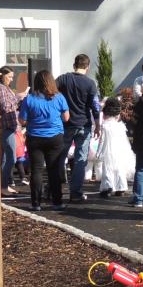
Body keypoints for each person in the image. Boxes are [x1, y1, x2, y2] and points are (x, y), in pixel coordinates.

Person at [18, 70, 70, 211]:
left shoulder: (29, 99)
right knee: (54, 170)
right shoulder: (59, 97)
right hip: (55, 137)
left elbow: (22, 120)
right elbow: (66, 117)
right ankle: (57, 202)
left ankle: (36, 203)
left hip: (35, 137)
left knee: (37, 170)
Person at [56, 54, 101, 203]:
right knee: (81, 159)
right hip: (84, 124)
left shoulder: (63, 79)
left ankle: (53, 189)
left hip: (66, 123)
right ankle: (75, 192)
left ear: (74, 64)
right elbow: (95, 105)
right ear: (87, 67)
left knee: (59, 157)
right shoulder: (90, 83)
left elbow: (51, 91)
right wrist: (98, 124)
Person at [97, 97, 135, 197]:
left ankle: (107, 188)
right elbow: (124, 140)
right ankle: (121, 188)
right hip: (119, 150)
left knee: (108, 168)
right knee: (119, 168)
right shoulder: (121, 126)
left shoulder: (105, 126)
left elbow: (102, 141)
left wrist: (98, 152)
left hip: (108, 150)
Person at [0, 66, 20, 197]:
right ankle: (3, 186)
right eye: (9, 77)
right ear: (2, 75)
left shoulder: (6, 88)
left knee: (6, 158)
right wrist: (18, 98)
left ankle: (4, 185)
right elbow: (5, 106)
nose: (11, 79)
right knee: (12, 158)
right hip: (6, 126)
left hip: (10, 126)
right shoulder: (0, 88)